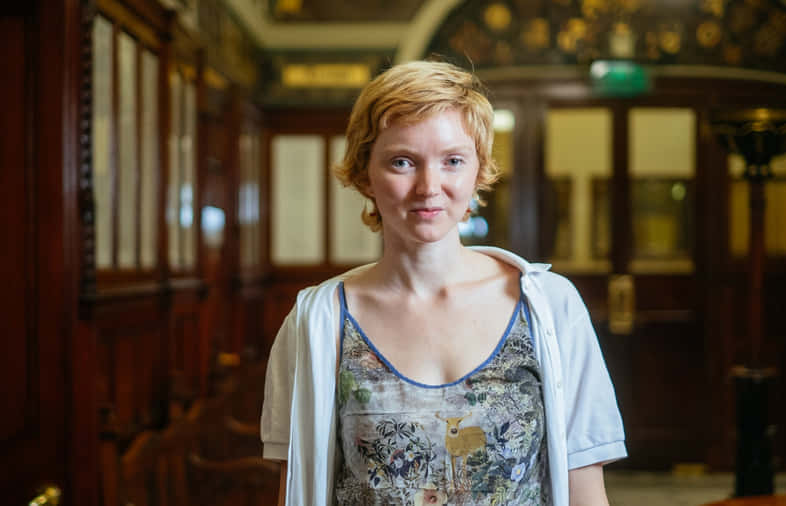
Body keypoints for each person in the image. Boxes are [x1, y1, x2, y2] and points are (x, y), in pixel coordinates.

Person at [260, 60, 626, 506]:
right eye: (402, 161)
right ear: (364, 173)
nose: (429, 186)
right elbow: (293, 488)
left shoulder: (549, 306)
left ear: (479, 170)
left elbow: (585, 489)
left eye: (452, 161)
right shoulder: (317, 322)